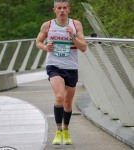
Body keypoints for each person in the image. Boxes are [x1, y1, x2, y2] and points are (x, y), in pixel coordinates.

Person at [36, 0, 86, 145]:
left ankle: (66, 130)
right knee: (59, 97)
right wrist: (45, 47)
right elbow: (38, 41)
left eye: (64, 8)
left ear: (68, 9)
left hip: (71, 67)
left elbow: (83, 47)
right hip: (54, 65)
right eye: (59, 8)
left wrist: (73, 37)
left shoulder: (76, 25)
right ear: (54, 10)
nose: (62, 10)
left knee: (68, 102)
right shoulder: (48, 25)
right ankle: (57, 132)